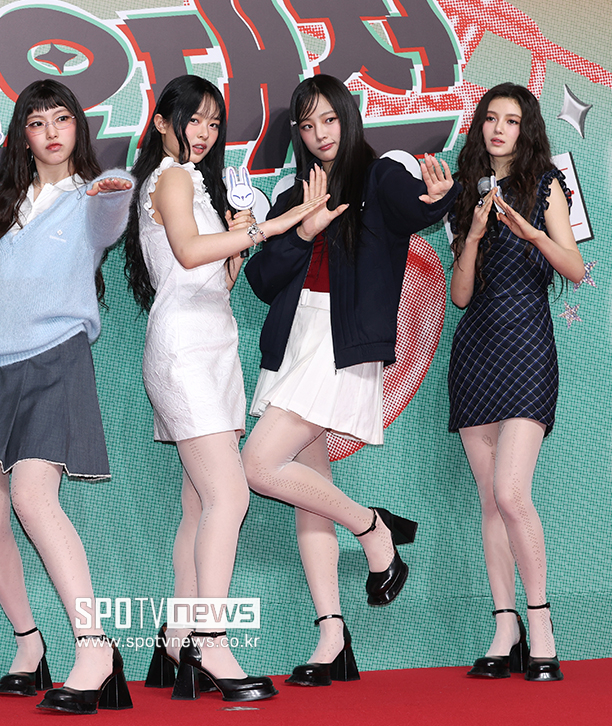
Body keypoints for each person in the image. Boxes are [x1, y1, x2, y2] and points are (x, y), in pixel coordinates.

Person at [0, 79, 134, 715]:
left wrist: (114, 188)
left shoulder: (91, 196)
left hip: (54, 357)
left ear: (77, 127)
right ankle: (28, 643)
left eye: (60, 119)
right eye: (36, 123)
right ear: (22, 136)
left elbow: (109, 219)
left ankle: (94, 649)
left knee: (33, 498)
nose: (50, 132)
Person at [240, 74, 458, 686]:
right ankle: (332, 636)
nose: (319, 134)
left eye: (328, 120)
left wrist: (438, 199)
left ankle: (372, 527)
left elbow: (417, 208)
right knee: (308, 492)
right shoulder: (294, 192)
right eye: (307, 125)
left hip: (341, 345)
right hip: (294, 343)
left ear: (347, 117)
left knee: (258, 466)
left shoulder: (379, 174)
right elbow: (261, 281)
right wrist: (302, 231)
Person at [123, 74, 325, 702]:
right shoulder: (171, 178)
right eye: (195, 120)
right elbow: (187, 254)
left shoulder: (194, 183)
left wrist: (240, 243)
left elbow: (216, 278)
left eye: (215, 123)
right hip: (184, 350)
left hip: (213, 346)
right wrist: (274, 225)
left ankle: (178, 637)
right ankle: (211, 642)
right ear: (163, 123)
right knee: (230, 497)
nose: (206, 133)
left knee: (201, 506)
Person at [448, 83, 582, 683]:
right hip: (475, 352)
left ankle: (542, 624)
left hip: (527, 347)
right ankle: (506, 629)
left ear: (526, 129)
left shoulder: (546, 183)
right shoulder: (466, 193)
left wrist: (531, 234)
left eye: (511, 120)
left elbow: (575, 267)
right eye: (490, 118)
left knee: (510, 493)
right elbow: (460, 296)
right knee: (489, 500)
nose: (499, 128)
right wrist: (475, 235)